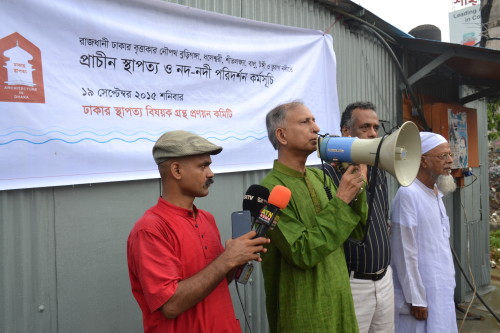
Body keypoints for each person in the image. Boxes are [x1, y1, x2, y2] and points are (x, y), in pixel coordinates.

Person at [127, 130, 270, 333]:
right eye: (203, 166)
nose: (210, 173)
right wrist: (227, 259)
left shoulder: (206, 219)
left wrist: (237, 258)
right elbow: (171, 305)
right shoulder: (150, 229)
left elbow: (214, 282)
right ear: (176, 170)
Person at [260, 101, 367, 333]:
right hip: (304, 311)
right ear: (282, 135)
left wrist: (357, 187)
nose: (316, 128)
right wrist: (340, 202)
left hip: (339, 303)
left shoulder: (321, 178)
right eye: (305, 121)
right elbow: (301, 252)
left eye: (314, 120)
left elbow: (356, 231)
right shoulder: (269, 191)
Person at [323, 102, 394, 333]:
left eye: (376, 127)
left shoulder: (379, 168)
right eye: (365, 127)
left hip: (385, 279)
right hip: (353, 283)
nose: (373, 133)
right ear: (346, 132)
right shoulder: (329, 175)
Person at [391, 132, 458, 333]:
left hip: (442, 289)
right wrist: (416, 298)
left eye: (449, 155)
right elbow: (404, 251)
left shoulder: (436, 193)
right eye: (443, 156)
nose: (450, 161)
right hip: (422, 295)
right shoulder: (408, 194)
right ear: (423, 161)